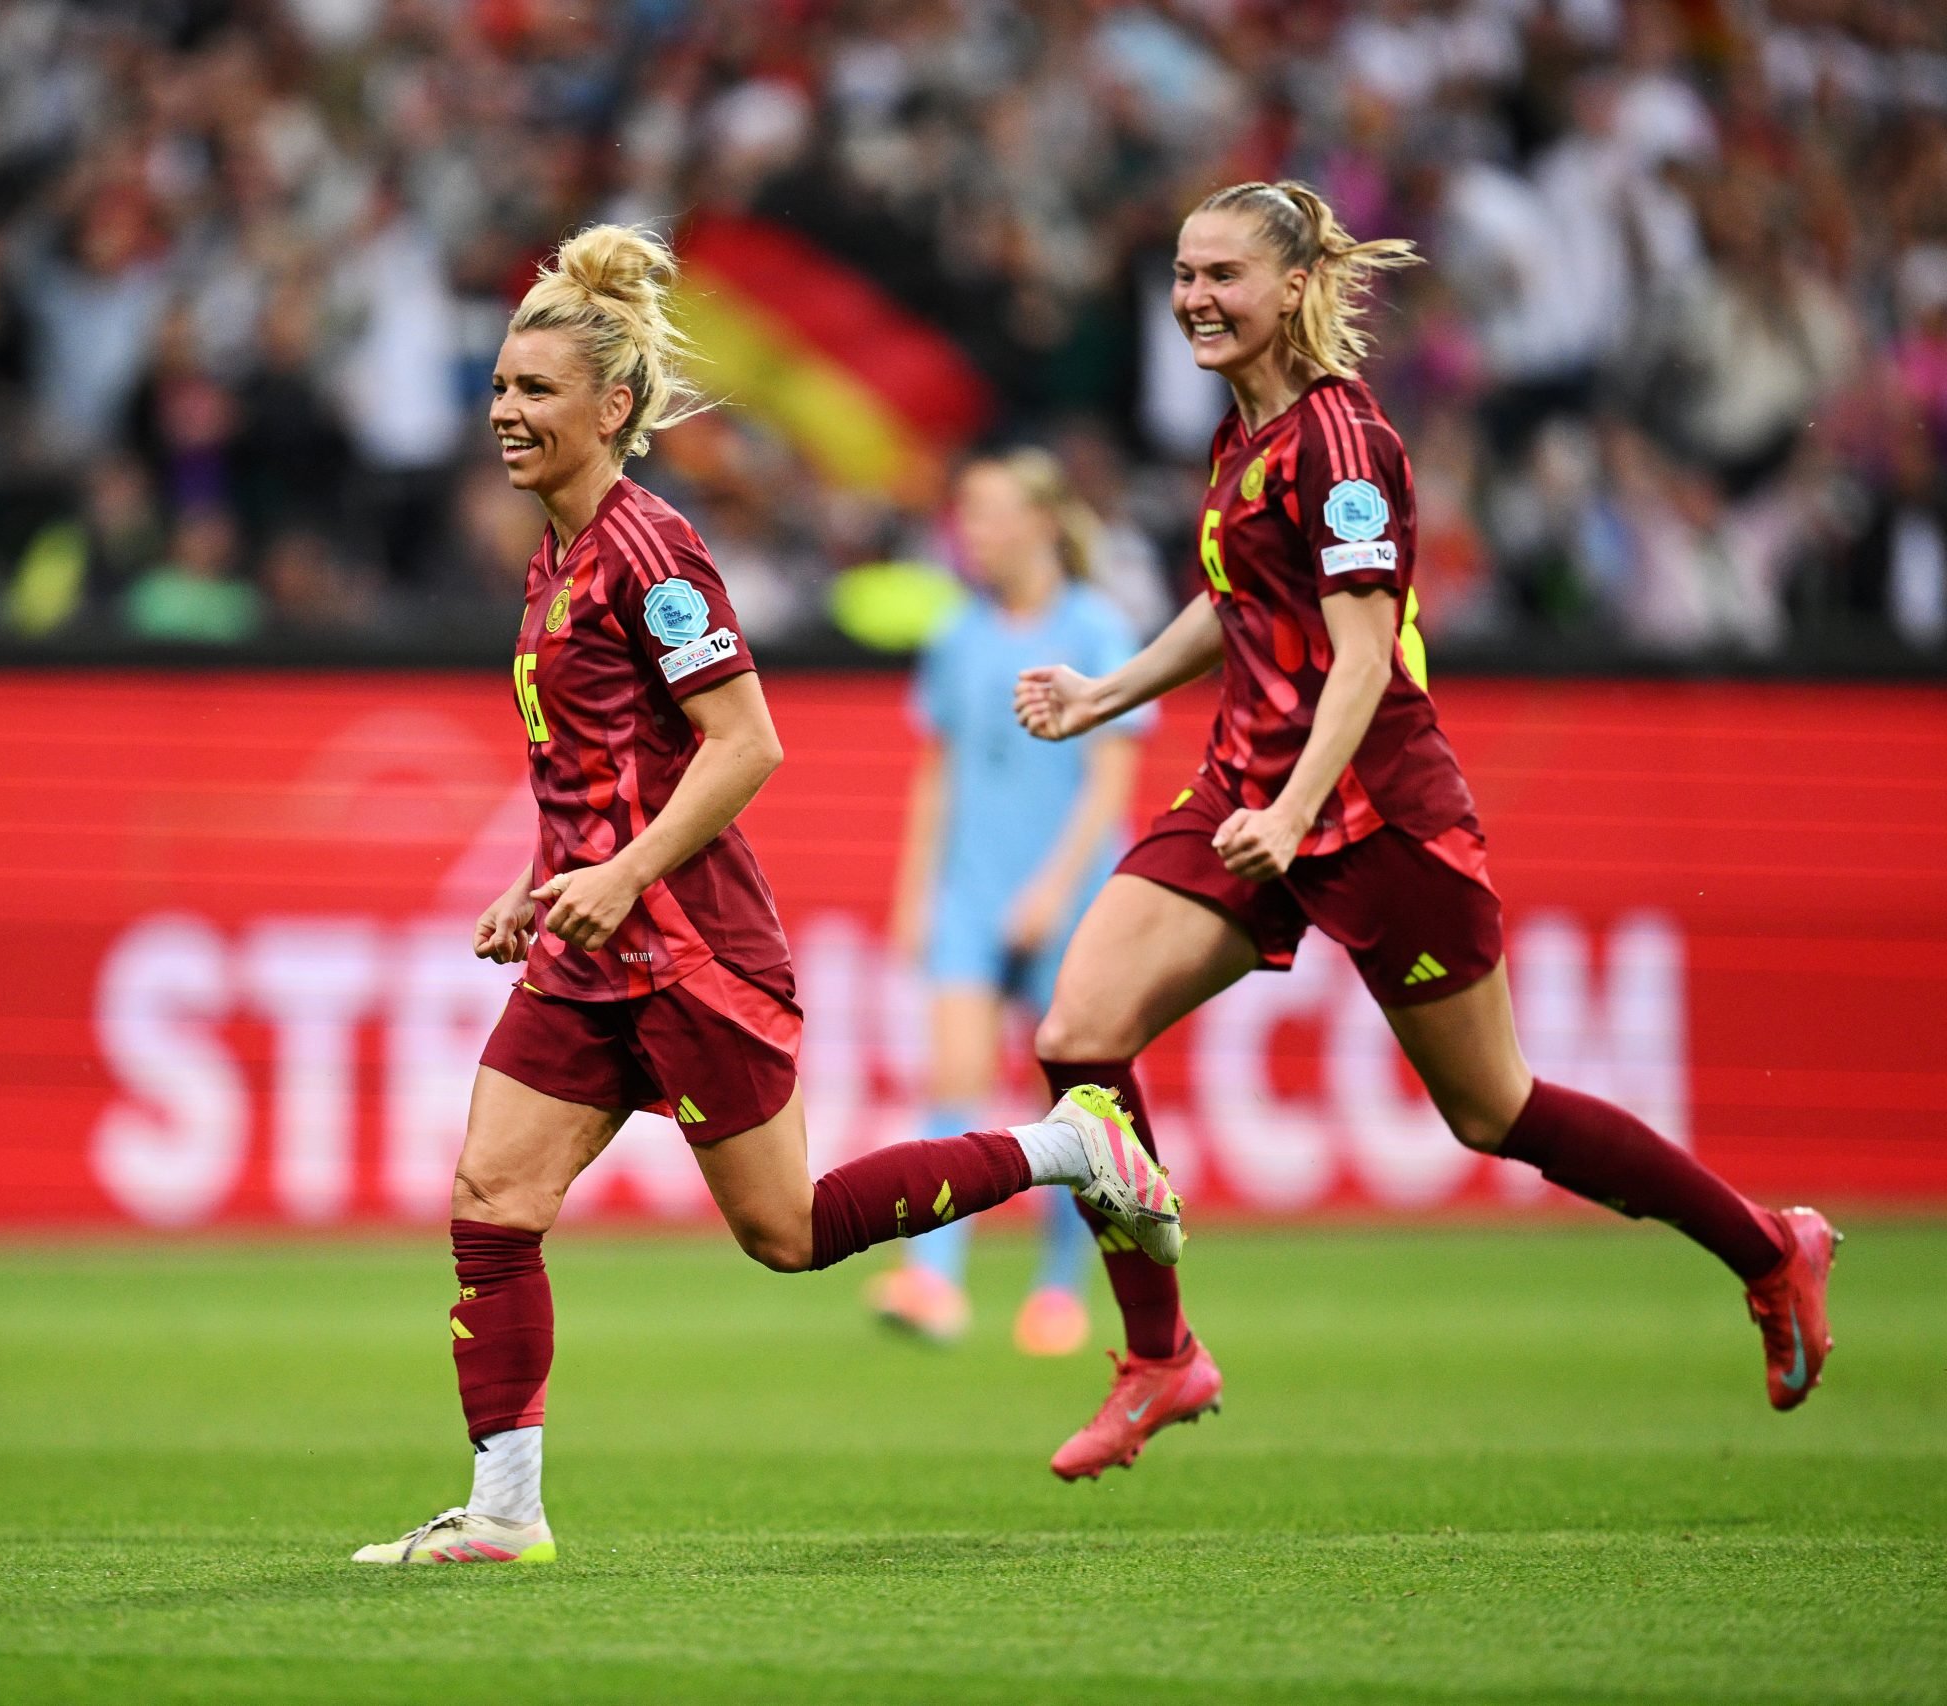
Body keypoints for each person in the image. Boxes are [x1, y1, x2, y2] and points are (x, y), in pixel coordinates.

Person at [353, 227, 1182, 1567]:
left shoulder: (652, 549)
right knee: (491, 1199)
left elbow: (746, 743)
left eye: (536, 389)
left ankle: (1070, 1149)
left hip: (687, 947)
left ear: (612, 408)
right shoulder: (555, 553)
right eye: (500, 385)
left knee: (785, 1231)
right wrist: (536, 881)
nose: (504, 409)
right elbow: (602, 763)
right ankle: (505, 1510)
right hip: (590, 947)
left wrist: (624, 872)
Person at [1013, 181, 1838, 1484]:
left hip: (1373, 812)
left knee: (1492, 1107)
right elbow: (1236, 598)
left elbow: (1360, 659)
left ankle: (1769, 1243)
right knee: (1078, 1035)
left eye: (1223, 275)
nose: (1194, 299)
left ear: (1295, 286)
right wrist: (1103, 694)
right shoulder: (1243, 434)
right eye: (1182, 274)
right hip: (1248, 792)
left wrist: (1294, 811)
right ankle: (1161, 1352)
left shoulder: (1344, 445)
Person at [874, 449, 1153, 1356]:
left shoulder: (1097, 628)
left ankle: (1060, 1290)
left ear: (1042, 522)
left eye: (991, 513)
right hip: (971, 890)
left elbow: (1111, 780)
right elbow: (939, 770)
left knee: (1073, 1102)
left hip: (1068, 897)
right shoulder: (958, 632)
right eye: (967, 514)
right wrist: (918, 891)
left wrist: (1053, 890)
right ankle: (933, 1280)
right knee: (952, 1079)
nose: (975, 533)